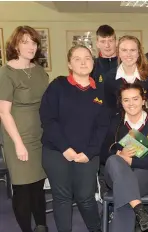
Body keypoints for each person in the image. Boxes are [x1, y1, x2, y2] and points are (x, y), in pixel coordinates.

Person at [40, 45, 109, 232]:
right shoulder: (58, 85)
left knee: (85, 196)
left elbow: (103, 126)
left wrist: (90, 152)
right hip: (57, 151)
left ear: (93, 63)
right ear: (70, 63)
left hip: (88, 154)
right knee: (62, 197)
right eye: (77, 59)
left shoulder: (100, 91)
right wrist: (65, 149)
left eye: (87, 58)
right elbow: (48, 119)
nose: (83, 62)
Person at [0, 25, 49, 232]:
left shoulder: (39, 71)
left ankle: (41, 226)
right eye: (25, 42)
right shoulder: (6, 72)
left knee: (38, 185)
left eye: (34, 42)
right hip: (17, 137)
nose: (31, 46)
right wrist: (19, 144)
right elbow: (3, 112)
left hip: (40, 136)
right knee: (22, 188)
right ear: (15, 45)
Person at [104, 83, 148, 232]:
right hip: (117, 173)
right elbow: (102, 153)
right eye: (126, 100)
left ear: (143, 100)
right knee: (113, 160)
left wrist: (132, 160)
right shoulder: (115, 123)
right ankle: (140, 210)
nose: (131, 104)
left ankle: (139, 211)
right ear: (121, 102)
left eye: (135, 99)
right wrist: (119, 154)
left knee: (123, 190)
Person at [103, 35, 148, 117]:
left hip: (146, 126)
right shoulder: (110, 78)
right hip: (119, 127)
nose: (128, 54)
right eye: (124, 50)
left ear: (139, 53)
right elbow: (109, 108)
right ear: (118, 53)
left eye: (132, 50)